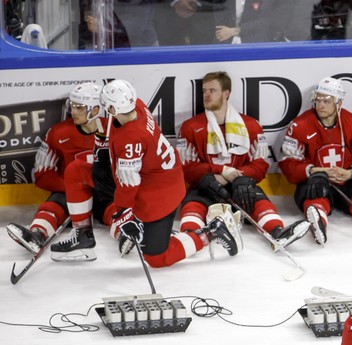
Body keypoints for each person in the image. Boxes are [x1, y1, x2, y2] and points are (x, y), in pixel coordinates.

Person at [51, 80, 242, 266]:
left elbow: (129, 184)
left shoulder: (130, 140)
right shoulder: (138, 106)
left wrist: (124, 214)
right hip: (160, 178)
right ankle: (82, 235)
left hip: (156, 194)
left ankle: (212, 232)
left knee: (156, 258)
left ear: (112, 110)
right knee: (77, 170)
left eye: (105, 106)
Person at [177, 71, 306, 248]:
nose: (206, 95)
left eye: (212, 90)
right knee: (192, 204)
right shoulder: (190, 127)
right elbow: (187, 168)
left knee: (256, 197)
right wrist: (221, 171)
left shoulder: (251, 125)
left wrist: (239, 177)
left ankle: (278, 232)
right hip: (206, 185)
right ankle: (189, 239)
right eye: (204, 91)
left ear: (226, 93)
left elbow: (260, 164)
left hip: (238, 185)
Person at [278, 76, 352, 245]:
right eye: (318, 99)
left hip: (345, 180)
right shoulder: (299, 125)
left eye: (326, 101)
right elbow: (289, 164)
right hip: (316, 180)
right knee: (314, 190)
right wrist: (317, 171)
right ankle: (318, 220)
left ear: (339, 103)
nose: (320, 105)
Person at [7, 83, 101, 254]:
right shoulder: (58, 133)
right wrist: (75, 189)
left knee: (118, 207)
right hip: (70, 194)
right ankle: (37, 234)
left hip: (105, 191)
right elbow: (42, 175)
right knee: (53, 205)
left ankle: (126, 235)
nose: (73, 111)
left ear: (95, 110)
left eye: (79, 107)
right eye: (72, 106)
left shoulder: (115, 131)